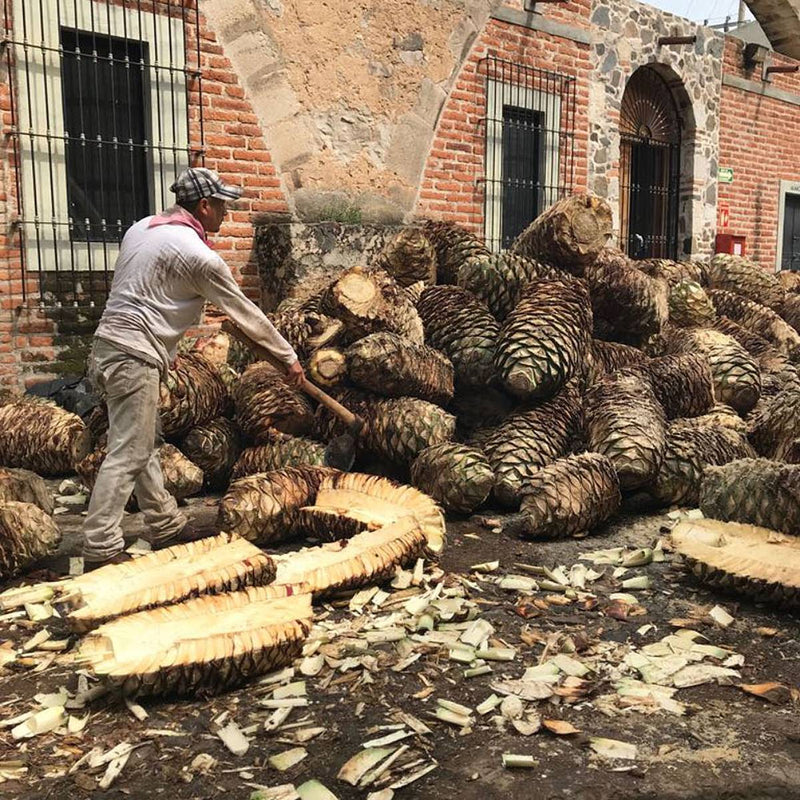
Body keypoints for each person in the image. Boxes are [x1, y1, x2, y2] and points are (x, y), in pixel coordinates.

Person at [82, 167, 304, 570]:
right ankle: (99, 546)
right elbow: (246, 313)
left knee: (141, 441)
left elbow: (141, 290)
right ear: (204, 206)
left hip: (108, 348)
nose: (225, 214)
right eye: (222, 205)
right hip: (133, 355)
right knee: (128, 451)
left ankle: (165, 524)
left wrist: (163, 346)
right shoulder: (200, 257)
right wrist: (288, 357)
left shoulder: (142, 228)